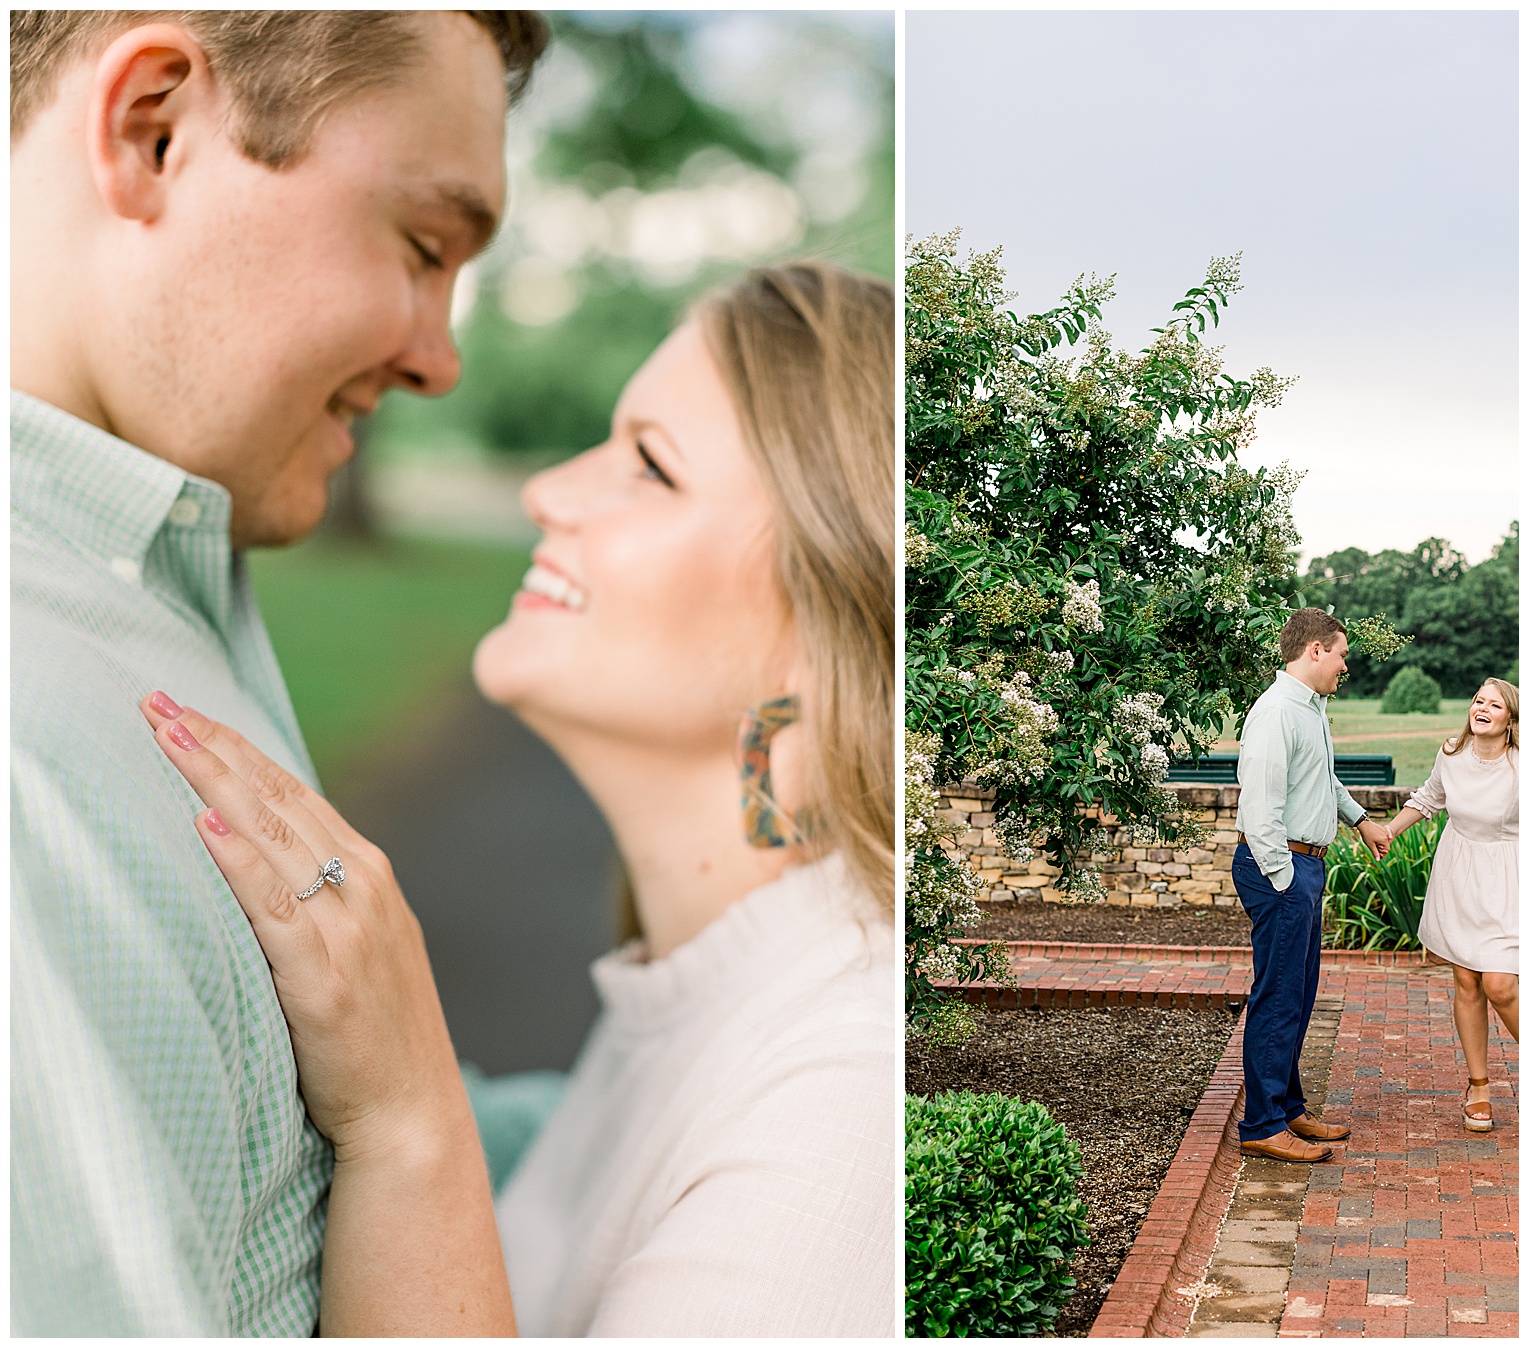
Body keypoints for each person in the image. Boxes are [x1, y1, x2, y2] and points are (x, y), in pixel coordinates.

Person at [140, 261, 897, 1336]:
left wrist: (408, 1122)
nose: (550, 491)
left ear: (825, 642)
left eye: (648, 465)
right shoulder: (710, 988)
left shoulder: (840, 1098)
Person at [10, 11, 546, 1334]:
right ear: (157, 131)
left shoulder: (171, 572)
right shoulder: (30, 743)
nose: (441, 355)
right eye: (426, 248)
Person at [1383, 677, 1519, 1131]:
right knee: (1467, 980)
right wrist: (1390, 831)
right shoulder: (1451, 753)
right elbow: (1428, 798)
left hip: (1511, 881)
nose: (1483, 709)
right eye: (1478, 700)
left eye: (1495, 704)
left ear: (1512, 720)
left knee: (1499, 983)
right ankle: (1478, 1086)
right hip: (1459, 875)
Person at [1231, 608, 1391, 1163]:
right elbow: (1259, 804)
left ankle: (1289, 1108)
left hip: (1303, 868)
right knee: (1276, 998)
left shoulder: (1309, 709)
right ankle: (1261, 1125)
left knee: (1297, 994)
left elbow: (1320, 778)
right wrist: (1283, 878)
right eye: (1342, 653)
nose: (1345, 666)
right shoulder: (1277, 712)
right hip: (1282, 868)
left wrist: (1360, 820)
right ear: (1316, 650)